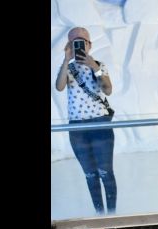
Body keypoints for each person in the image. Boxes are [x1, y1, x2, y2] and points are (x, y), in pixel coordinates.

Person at [55, 27, 117, 216]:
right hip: (77, 127)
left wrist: (94, 67)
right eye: (74, 42)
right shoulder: (68, 67)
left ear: (90, 45)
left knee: (106, 172)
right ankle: (100, 215)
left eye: (82, 41)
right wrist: (66, 60)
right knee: (90, 175)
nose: (78, 45)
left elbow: (107, 90)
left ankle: (113, 215)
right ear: (68, 45)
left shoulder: (99, 65)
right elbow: (59, 87)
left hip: (100, 123)